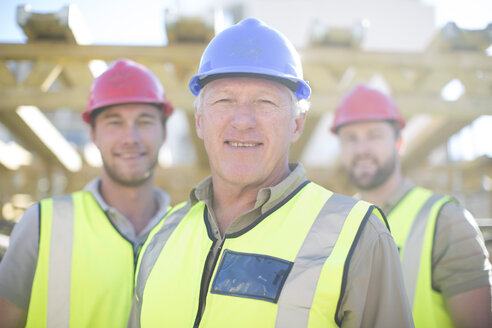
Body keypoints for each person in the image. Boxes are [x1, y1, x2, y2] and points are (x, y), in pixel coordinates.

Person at [131, 18, 414, 328]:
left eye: (264, 102)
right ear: (200, 120)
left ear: (296, 124)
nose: (242, 121)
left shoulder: (359, 237)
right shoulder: (161, 238)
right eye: (224, 100)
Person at [0, 58, 175, 327]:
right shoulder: (42, 224)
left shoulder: (188, 230)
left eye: (145, 121)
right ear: (93, 134)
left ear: (164, 132)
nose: (131, 137)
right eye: (114, 122)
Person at [332, 84, 492, 327]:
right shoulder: (335, 223)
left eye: (374, 135)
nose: (362, 149)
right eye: (351, 138)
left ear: (399, 143)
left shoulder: (446, 220)